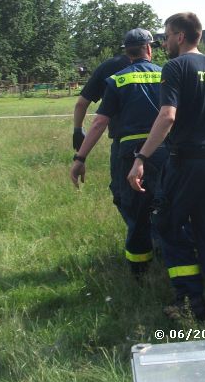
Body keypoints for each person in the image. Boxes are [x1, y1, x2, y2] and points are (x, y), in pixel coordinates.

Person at [127, 12, 205, 320]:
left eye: (166, 35)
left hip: (188, 162)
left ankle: (190, 303)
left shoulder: (174, 67)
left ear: (179, 36)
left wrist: (141, 158)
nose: (163, 42)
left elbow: (167, 116)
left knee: (170, 226)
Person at [70, 29, 165, 277]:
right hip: (163, 149)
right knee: (165, 201)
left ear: (126, 51)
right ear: (149, 49)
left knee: (132, 205)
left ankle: (140, 272)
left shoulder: (117, 79)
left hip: (128, 151)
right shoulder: (167, 75)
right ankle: (167, 253)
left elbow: (99, 122)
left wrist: (80, 156)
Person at [72, 45, 131, 220]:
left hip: (124, 143)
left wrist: (78, 130)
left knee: (122, 194)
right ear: (149, 50)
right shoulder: (159, 70)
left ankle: (143, 239)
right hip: (158, 143)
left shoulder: (109, 68)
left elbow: (82, 104)